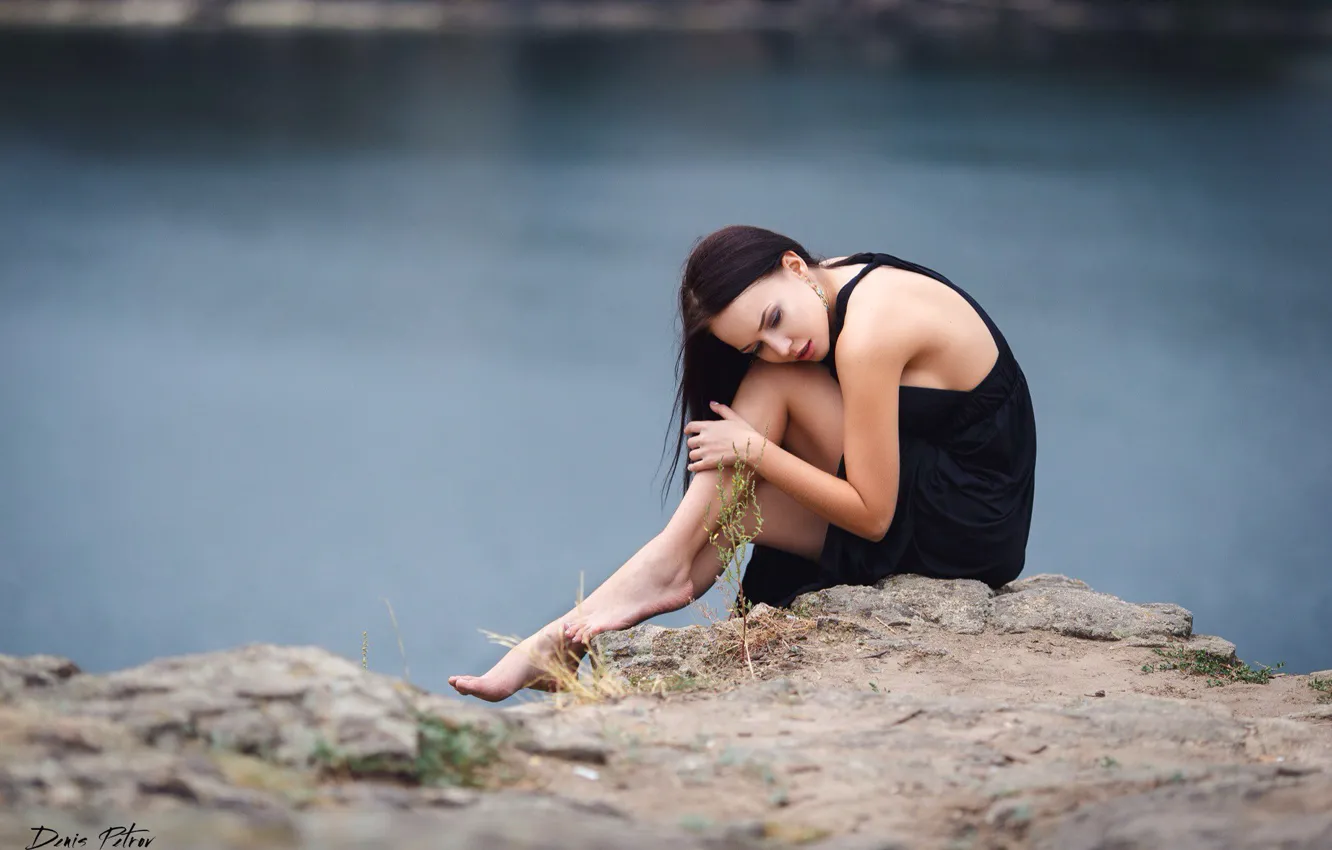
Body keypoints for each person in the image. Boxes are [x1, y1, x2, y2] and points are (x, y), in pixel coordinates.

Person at [448, 225, 1036, 702]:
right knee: (733, 508)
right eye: (756, 345)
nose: (782, 347)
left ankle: (656, 574)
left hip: (971, 521)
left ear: (795, 267)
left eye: (773, 320)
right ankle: (575, 630)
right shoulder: (830, 284)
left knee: (773, 396)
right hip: (934, 484)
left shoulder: (869, 334)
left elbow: (874, 516)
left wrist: (757, 451)